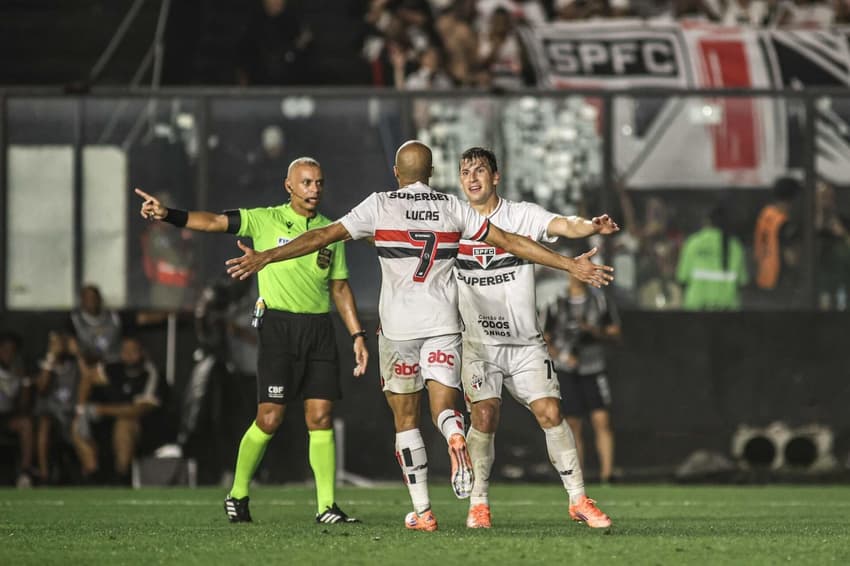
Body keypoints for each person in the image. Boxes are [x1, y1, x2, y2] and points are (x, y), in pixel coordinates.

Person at [224, 140, 613, 531]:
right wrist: (568, 265)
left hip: (399, 329)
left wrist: (267, 256)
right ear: (432, 174)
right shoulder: (452, 207)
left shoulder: (379, 204)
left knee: (406, 420)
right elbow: (511, 241)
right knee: (447, 408)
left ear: (397, 173)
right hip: (445, 326)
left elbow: (321, 236)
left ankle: (424, 512)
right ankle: (454, 434)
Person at [135, 156, 369, 525]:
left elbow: (339, 287)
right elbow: (212, 221)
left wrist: (357, 334)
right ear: (288, 186)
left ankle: (327, 506)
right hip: (278, 328)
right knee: (270, 418)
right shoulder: (264, 219)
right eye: (306, 182)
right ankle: (238, 493)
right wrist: (168, 214)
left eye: (319, 183)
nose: (314, 189)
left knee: (320, 416)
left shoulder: (331, 231)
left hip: (319, 330)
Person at [452, 147, 615, 529]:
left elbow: (563, 224)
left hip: (525, 343)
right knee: (485, 416)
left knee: (552, 413)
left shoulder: (520, 215)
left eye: (479, 171)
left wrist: (590, 225)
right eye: (465, 172)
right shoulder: (452, 220)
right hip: (479, 345)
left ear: (496, 176)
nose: (472, 178)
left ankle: (578, 500)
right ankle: (479, 505)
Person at [544, 275, 621, 488]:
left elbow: (615, 333)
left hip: (593, 365)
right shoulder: (556, 303)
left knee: (601, 419)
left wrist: (593, 331)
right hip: (567, 368)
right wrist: (562, 356)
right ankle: (578, 477)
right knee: (573, 423)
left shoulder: (599, 301)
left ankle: (608, 474)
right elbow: (545, 338)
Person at [71, 336, 160, 484]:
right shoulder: (113, 368)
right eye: (125, 351)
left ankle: (121, 478)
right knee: (77, 425)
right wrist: (81, 411)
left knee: (123, 425)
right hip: (107, 422)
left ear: (142, 352)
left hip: (143, 428)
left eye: (133, 351)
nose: (129, 355)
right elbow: (88, 378)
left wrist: (100, 410)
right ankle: (93, 477)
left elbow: (137, 410)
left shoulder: (149, 374)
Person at [676, 204, 748, 310]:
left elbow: (682, 277)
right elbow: (742, 281)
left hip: (696, 309)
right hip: (727, 310)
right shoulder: (736, 247)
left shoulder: (693, 243)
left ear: (707, 222)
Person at [34, 332, 82, 484]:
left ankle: (89, 476)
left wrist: (78, 352)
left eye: (62, 342)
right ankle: (44, 476)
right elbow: (41, 388)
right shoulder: (43, 365)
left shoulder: (75, 365)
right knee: (45, 423)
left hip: (72, 416)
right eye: (55, 343)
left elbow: (91, 374)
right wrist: (51, 357)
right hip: (51, 417)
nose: (59, 346)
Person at [753, 176, 802, 306]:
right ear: (794, 198)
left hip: (764, 279)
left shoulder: (765, 215)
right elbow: (792, 259)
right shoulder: (785, 224)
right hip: (781, 284)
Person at [0, 331, 35, 487]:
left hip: (6, 417)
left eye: (12, 350)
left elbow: (23, 405)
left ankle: (25, 473)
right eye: (5, 350)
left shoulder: (18, 372)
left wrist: (25, 382)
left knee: (26, 423)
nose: (9, 354)